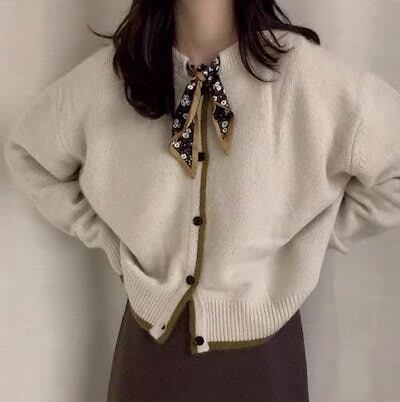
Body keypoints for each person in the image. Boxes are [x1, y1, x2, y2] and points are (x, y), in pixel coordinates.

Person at [4, 0, 400, 401]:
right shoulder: (119, 75)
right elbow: (30, 153)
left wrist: (308, 243)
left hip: (264, 360)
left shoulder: (303, 76)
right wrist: (108, 237)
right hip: (150, 355)